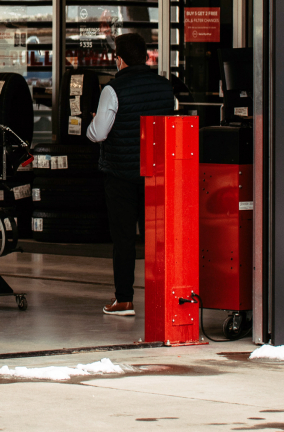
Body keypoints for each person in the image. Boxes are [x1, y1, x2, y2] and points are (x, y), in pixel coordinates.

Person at [86, 33, 174, 316]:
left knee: (124, 239)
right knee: (158, 238)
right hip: (157, 175)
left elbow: (99, 133)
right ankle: (166, 299)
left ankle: (124, 300)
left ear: (120, 59)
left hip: (121, 175)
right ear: (146, 56)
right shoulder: (164, 88)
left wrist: (89, 126)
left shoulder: (113, 90)